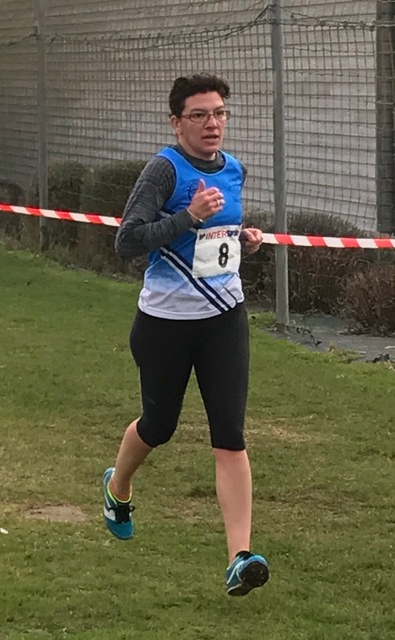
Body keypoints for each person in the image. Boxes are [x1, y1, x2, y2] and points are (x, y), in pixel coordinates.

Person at [102, 73, 269, 597]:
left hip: (224, 320)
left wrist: (241, 239)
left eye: (219, 113)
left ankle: (239, 558)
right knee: (159, 425)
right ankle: (117, 486)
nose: (212, 123)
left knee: (230, 435)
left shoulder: (235, 168)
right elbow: (127, 241)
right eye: (199, 115)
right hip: (164, 325)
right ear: (176, 123)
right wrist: (188, 217)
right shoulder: (164, 170)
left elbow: (216, 240)